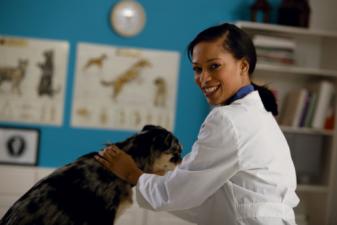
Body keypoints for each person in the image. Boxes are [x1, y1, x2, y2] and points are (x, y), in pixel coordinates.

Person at [96, 23, 299, 225]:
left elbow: (181, 192)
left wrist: (132, 174)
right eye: (197, 69)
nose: (204, 78)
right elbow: (201, 199)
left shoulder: (228, 119)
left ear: (243, 66)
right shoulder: (260, 116)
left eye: (214, 66)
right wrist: (159, 181)